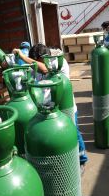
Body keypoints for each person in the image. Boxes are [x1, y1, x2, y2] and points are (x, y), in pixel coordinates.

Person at [13, 43, 89, 173]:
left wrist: (22, 55)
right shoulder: (35, 66)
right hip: (49, 108)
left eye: (37, 61)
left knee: (73, 132)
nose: (34, 65)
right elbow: (30, 71)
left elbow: (44, 69)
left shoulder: (60, 62)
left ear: (45, 58)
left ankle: (81, 159)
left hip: (66, 106)